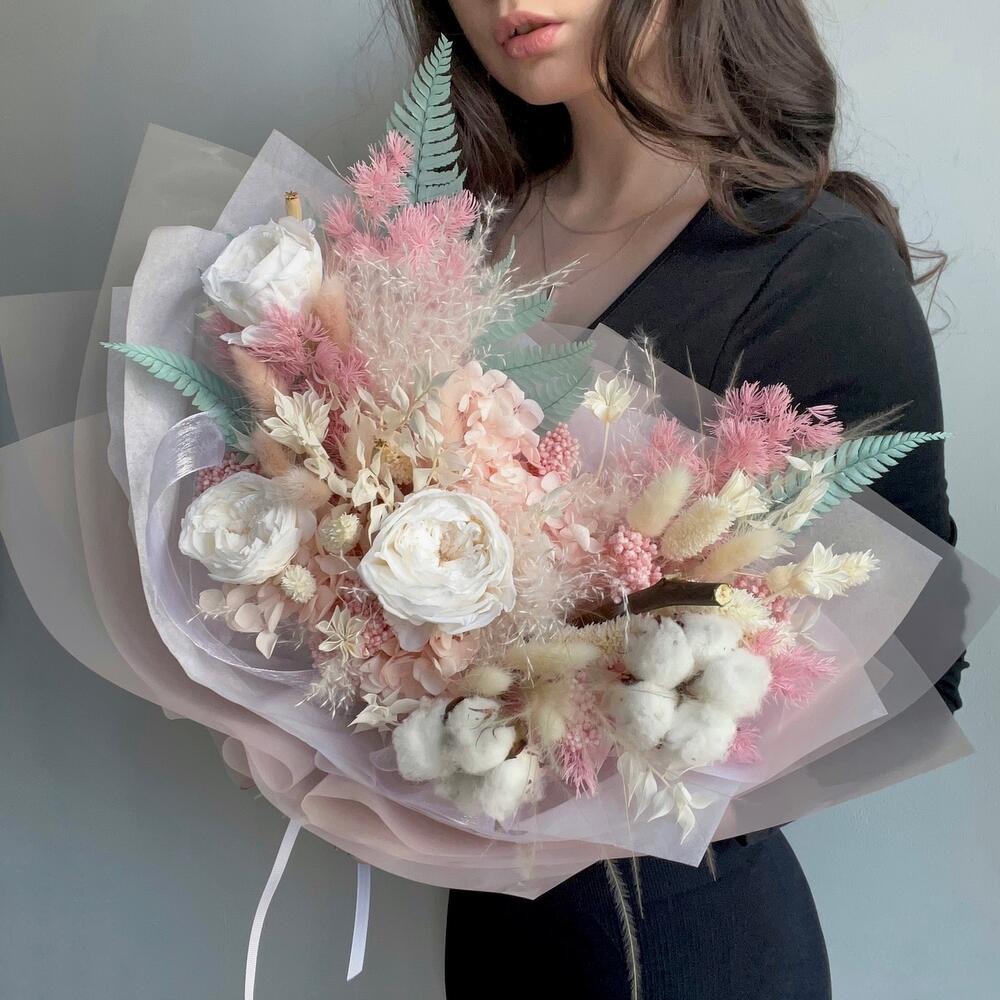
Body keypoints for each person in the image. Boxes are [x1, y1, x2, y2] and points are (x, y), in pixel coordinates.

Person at [381, 2, 968, 997]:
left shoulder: (806, 262)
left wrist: (625, 728)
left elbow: (915, 665)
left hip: (685, 941)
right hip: (493, 935)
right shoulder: (451, 237)